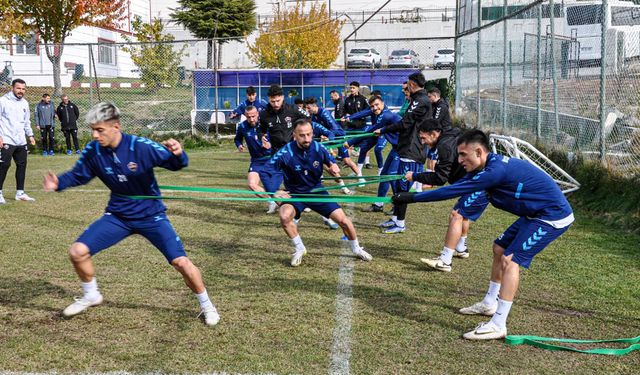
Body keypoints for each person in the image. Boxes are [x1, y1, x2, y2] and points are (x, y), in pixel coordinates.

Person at [43, 102, 220, 326]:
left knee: (181, 262)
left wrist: (178, 154)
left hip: (151, 216)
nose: (95, 135)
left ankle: (207, 306)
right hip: (118, 216)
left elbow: (174, 163)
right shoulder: (93, 150)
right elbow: (80, 175)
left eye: (100, 130)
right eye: (92, 130)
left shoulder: (140, 146)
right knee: (77, 252)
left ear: (116, 126)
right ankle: (91, 295)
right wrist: (59, 182)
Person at [392, 129, 574, 340]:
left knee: (510, 260)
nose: (459, 160)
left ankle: (498, 324)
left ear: (479, 152)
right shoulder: (488, 165)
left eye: (463, 155)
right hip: (534, 213)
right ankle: (489, 303)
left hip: (551, 216)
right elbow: (456, 183)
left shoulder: (493, 172)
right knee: (499, 248)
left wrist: (411, 198)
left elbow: (452, 191)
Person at [270, 118, 373, 266]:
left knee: (344, 221)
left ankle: (356, 249)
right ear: (294, 135)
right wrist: (275, 191)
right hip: (295, 194)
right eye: (302, 135)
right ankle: (300, 249)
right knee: (285, 216)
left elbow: (330, 162)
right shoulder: (285, 152)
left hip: (317, 191)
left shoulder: (319, 148)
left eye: (309, 134)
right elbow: (269, 170)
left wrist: (333, 167)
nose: (306, 139)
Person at [404, 120, 489, 272]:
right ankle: (461, 249)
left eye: (424, 138)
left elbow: (440, 178)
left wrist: (415, 176)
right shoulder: (448, 137)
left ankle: (445, 260)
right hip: (471, 181)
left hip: (480, 181)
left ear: (434, 134)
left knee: (456, 215)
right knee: (462, 214)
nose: (422, 142)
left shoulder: (444, 146)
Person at [374, 72, 432, 234]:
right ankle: (395, 219)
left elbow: (405, 123)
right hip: (406, 148)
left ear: (412, 85)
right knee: (399, 187)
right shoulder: (417, 100)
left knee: (403, 189)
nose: (406, 88)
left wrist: (383, 130)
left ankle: (400, 224)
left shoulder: (421, 101)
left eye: (407, 84)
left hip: (413, 150)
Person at [350, 95, 401, 213]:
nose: (374, 108)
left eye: (377, 105)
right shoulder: (381, 115)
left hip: (404, 148)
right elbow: (372, 133)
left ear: (383, 103)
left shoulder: (386, 115)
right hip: (396, 148)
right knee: (384, 175)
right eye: (372, 106)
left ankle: (398, 206)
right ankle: (379, 205)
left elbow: (371, 130)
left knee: (391, 176)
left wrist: (350, 142)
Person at [305, 97, 362, 189]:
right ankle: (321, 177)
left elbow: (334, 128)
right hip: (329, 137)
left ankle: (360, 178)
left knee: (346, 160)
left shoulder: (324, 113)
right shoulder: (313, 116)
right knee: (319, 156)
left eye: (308, 108)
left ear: (314, 106)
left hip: (338, 136)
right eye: (306, 108)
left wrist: (329, 138)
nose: (307, 110)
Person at [234, 105, 282, 214]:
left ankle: (298, 203)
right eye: (248, 117)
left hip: (271, 159)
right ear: (245, 116)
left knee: (274, 187)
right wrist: (239, 145)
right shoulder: (242, 126)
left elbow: (280, 137)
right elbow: (237, 139)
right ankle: (272, 202)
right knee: (252, 184)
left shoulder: (267, 124)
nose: (251, 119)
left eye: (253, 116)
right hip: (256, 161)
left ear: (258, 114)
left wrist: (271, 144)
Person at [0, 78, 37, 204]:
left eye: (23, 89)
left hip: (21, 140)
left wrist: (30, 135)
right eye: (18, 88)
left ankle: (20, 193)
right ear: (12, 88)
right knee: (4, 166)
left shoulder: (25, 103)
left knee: (22, 166)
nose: (21, 91)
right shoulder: (3, 101)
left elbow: (27, 122)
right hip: (6, 139)